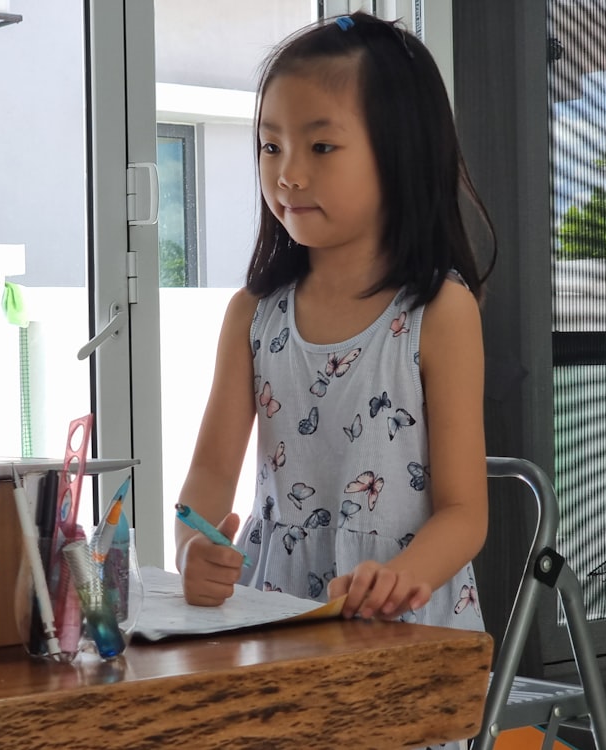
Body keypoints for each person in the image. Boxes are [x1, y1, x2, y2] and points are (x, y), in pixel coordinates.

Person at [175, 11, 497, 641]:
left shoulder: (438, 311)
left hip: (404, 628)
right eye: (271, 146)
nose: (287, 173)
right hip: (275, 615)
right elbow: (211, 475)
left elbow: (465, 513)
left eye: (321, 146)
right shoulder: (252, 314)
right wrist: (192, 547)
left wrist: (402, 576)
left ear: (400, 154)